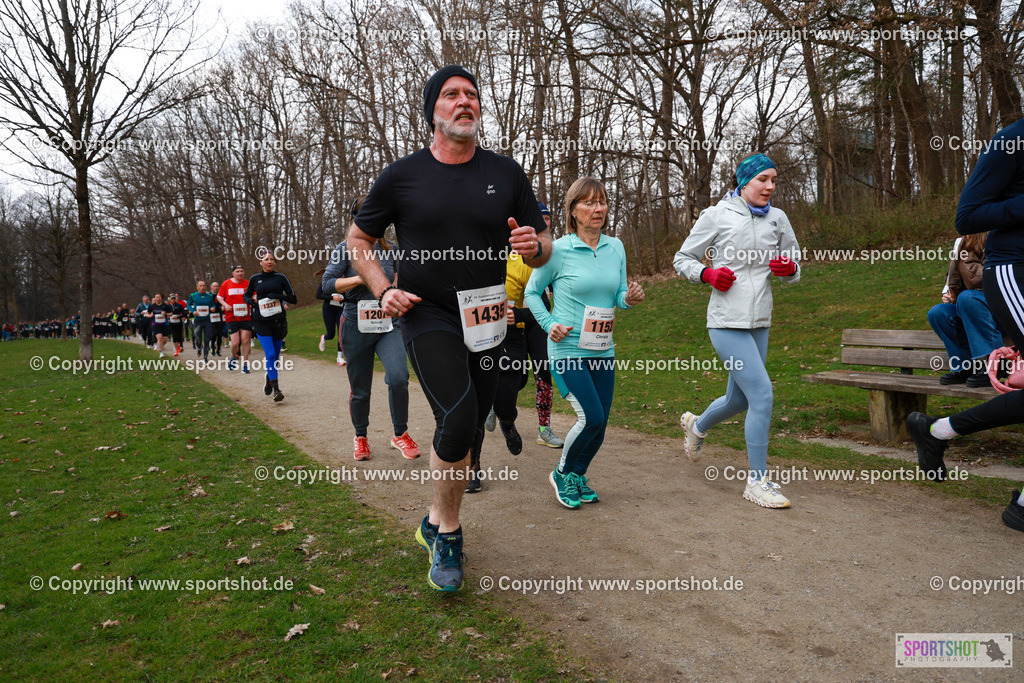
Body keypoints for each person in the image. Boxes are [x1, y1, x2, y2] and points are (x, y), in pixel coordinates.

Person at [348, 65, 550, 592]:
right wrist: (381, 287)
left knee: (470, 418)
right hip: (426, 311)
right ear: (432, 111)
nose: (465, 102)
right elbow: (359, 241)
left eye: (472, 95)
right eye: (452, 95)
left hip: (487, 312)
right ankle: (451, 534)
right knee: (458, 415)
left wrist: (536, 246)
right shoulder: (402, 175)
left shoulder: (507, 173)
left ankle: (433, 520)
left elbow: (547, 243)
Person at [907, 117, 1024, 533]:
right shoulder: (1013, 139)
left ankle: (938, 431)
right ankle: (973, 368)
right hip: (1014, 268)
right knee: (953, 306)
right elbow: (968, 216)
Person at [674, 153, 802, 509]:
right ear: (744, 181)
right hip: (725, 322)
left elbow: (795, 266)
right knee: (762, 394)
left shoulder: (778, 218)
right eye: (763, 180)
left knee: (740, 399)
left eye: (774, 180)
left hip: (759, 321)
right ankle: (757, 482)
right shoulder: (717, 215)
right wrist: (707, 274)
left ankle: (697, 425)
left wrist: (788, 268)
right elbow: (682, 258)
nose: (770, 187)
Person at [525, 177, 645, 509]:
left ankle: (578, 474)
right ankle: (563, 473)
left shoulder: (615, 247)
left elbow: (618, 295)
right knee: (590, 416)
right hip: (567, 349)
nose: (598, 209)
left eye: (602, 201)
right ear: (573, 210)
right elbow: (531, 293)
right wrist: (549, 325)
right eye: (589, 203)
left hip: (603, 348)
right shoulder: (558, 250)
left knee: (601, 423)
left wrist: (630, 298)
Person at [323, 212, 420, 461]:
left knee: (399, 377)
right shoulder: (344, 249)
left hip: (389, 323)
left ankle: (400, 433)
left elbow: (398, 279)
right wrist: (361, 277)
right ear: (356, 220)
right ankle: (361, 436)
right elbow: (327, 284)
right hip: (356, 323)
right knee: (361, 389)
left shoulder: (392, 249)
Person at [927, 233, 1003, 386]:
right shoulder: (961, 243)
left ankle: (995, 365)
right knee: (938, 313)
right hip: (970, 307)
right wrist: (948, 294)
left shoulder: (997, 238)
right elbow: (952, 277)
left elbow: (987, 277)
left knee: (968, 298)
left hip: (1000, 307)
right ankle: (965, 367)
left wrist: (966, 256)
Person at [244, 252, 297, 401]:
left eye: (272, 259)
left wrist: (279, 296)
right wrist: (251, 301)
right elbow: (246, 296)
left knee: (275, 357)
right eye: (266, 259)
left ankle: (269, 376)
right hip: (261, 321)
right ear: (261, 262)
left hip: (278, 321)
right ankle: (276, 390)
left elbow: (293, 298)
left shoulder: (281, 278)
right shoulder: (255, 279)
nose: (269, 262)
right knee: (271, 355)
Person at [218, 266, 252, 373]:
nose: (240, 273)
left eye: (242, 271)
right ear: (233, 273)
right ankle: (233, 357)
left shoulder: (248, 284)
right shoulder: (226, 283)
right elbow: (219, 297)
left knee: (245, 340)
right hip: (231, 317)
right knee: (235, 343)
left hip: (245, 316)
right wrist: (225, 304)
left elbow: (254, 295)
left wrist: (253, 299)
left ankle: (245, 365)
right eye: (237, 271)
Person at [314, 266, 347, 367]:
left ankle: (339, 357)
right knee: (331, 334)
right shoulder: (327, 281)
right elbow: (318, 295)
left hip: (341, 309)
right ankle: (324, 337)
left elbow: (349, 296)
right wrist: (332, 297)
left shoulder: (346, 281)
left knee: (341, 333)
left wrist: (344, 298)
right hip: (329, 309)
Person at [188, 280, 216, 362]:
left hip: (207, 320)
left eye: (204, 286)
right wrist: (193, 311)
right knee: (198, 338)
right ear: (197, 287)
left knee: (207, 339)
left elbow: (213, 304)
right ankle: (199, 347)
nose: (202, 287)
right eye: (200, 286)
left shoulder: (209, 296)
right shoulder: (193, 295)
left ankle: (205, 358)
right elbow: (188, 305)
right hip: (198, 321)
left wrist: (213, 308)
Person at [144, 293, 173, 357]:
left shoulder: (165, 306)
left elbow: (171, 313)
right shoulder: (152, 306)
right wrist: (149, 315)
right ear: (155, 298)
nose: (158, 299)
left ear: (161, 298)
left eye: (159, 297)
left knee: (165, 339)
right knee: (159, 337)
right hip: (155, 323)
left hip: (165, 324)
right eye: (156, 297)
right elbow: (147, 314)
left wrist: (165, 313)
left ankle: (160, 346)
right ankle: (161, 353)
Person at [209, 281, 225, 357]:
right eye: (214, 286)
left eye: (217, 286)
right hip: (211, 318)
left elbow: (224, 303)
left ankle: (218, 349)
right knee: (213, 334)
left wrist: (223, 307)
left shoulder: (221, 295)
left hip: (219, 317)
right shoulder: (209, 296)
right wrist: (210, 309)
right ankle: (212, 347)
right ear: (211, 287)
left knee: (219, 335)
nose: (216, 288)